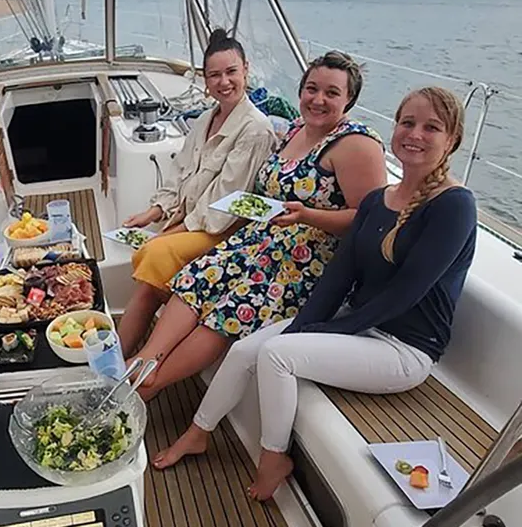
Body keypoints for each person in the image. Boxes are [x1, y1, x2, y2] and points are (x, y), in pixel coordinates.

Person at [152, 87, 476, 501]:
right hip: (359, 325)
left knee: (277, 355)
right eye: (407, 123)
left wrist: (329, 330)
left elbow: (406, 293)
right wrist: (307, 325)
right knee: (245, 349)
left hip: (404, 349)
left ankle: (273, 460)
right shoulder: (378, 201)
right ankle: (197, 434)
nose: (414, 134)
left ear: (452, 140)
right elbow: (338, 278)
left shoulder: (454, 205)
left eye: (432, 127)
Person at [130, 51, 388, 400]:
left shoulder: (357, 144)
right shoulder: (297, 130)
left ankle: (149, 386)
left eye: (331, 93)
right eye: (311, 89)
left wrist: (309, 215)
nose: (318, 99)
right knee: (195, 279)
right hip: (259, 240)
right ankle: (145, 361)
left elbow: (370, 219)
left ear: (349, 99)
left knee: (231, 307)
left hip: (302, 260)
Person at [118, 28, 277, 356]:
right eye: (214, 75)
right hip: (195, 222)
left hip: (225, 228)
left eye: (231, 72)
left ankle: (131, 358)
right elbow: (179, 175)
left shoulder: (256, 130)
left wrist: (171, 232)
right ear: (205, 81)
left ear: (246, 69)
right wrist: (155, 211)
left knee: (155, 253)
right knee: (150, 269)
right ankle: (123, 360)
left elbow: (224, 203)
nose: (224, 82)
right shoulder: (206, 118)